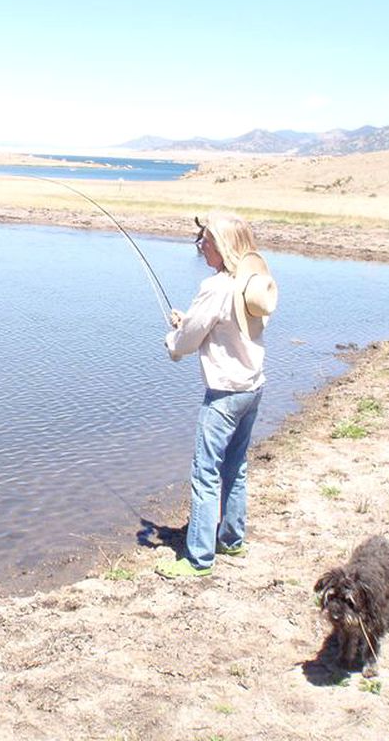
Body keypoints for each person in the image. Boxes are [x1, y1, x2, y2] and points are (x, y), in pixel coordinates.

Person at [155, 211, 278, 579]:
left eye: (205, 240)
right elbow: (225, 327)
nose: (200, 246)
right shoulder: (250, 282)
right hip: (252, 388)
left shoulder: (216, 287)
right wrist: (188, 321)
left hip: (224, 395)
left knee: (205, 473)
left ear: (222, 246)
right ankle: (231, 540)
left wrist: (173, 341)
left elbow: (189, 340)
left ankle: (199, 558)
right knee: (235, 467)